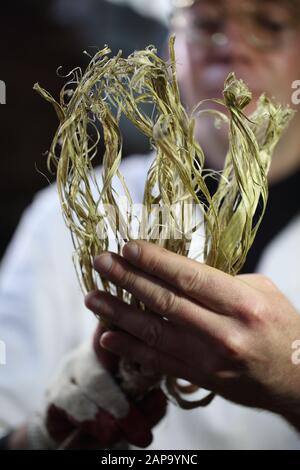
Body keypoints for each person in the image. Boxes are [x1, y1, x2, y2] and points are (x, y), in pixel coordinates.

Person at [1, 0, 300, 450]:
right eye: (207, 24)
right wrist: (45, 436)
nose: (233, 45)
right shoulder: (70, 210)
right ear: (169, 53)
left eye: (269, 24)